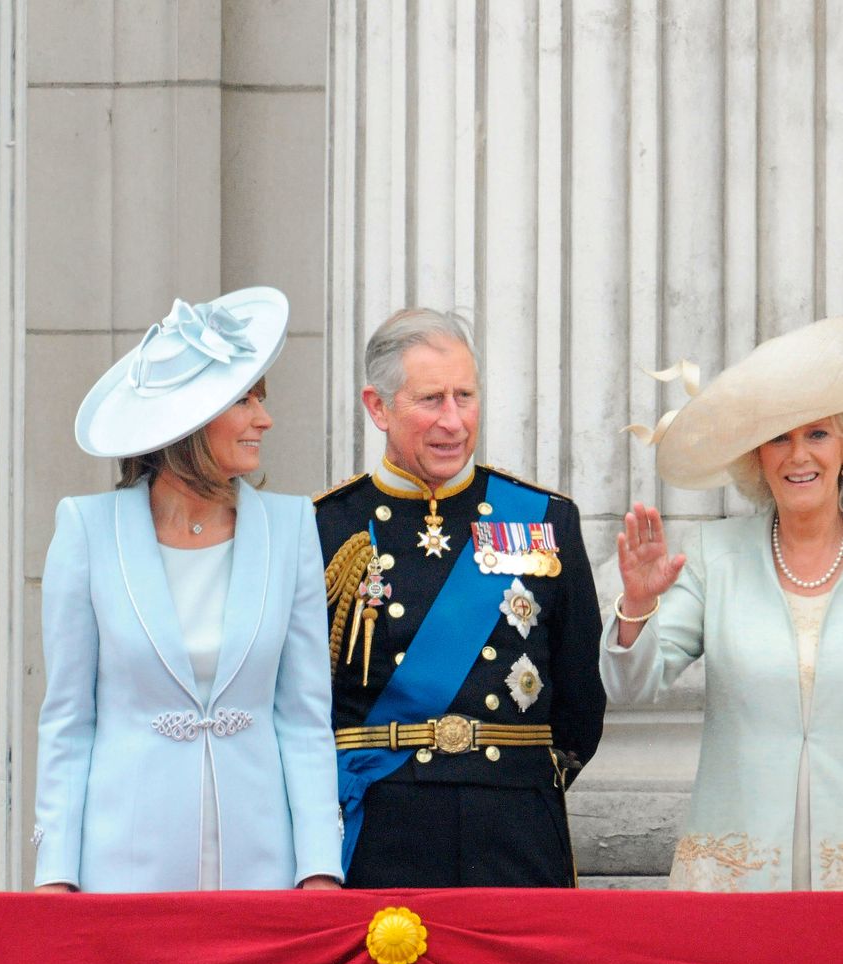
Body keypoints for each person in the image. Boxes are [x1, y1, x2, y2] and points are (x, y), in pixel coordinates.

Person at [32, 287, 342, 893]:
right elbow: (69, 719)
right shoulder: (87, 529)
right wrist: (56, 874)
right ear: (191, 420)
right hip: (124, 869)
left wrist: (319, 867)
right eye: (245, 401)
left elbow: (305, 718)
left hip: (263, 870)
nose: (265, 419)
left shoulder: (291, 526)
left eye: (262, 399)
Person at [314, 308, 606, 887]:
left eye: (465, 396)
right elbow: (304, 704)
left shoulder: (545, 519)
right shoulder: (326, 527)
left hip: (515, 822)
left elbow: (579, 701)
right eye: (431, 399)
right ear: (378, 407)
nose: (454, 420)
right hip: (380, 822)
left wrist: (518, 784)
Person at [602, 317, 843, 892]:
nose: (797, 455)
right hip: (734, 877)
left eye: (817, 433)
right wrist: (637, 604)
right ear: (755, 456)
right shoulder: (716, 555)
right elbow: (634, 689)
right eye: (778, 437)